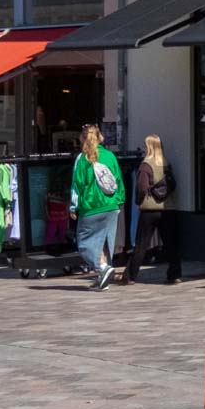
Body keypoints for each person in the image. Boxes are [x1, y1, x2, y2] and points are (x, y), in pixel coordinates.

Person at [122, 134, 181, 285]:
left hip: (149, 210)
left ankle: (130, 275)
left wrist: (137, 201)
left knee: (142, 243)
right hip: (168, 208)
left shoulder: (145, 165)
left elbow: (142, 188)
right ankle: (175, 274)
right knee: (170, 242)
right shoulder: (166, 164)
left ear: (148, 147)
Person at [72, 124, 125, 290]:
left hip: (91, 206)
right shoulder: (110, 156)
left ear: (82, 138)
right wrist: (119, 200)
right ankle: (102, 278)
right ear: (100, 137)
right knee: (104, 242)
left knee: (84, 242)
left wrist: (73, 207)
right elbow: (118, 180)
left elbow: (77, 185)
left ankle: (103, 268)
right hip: (111, 205)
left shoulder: (82, 159)